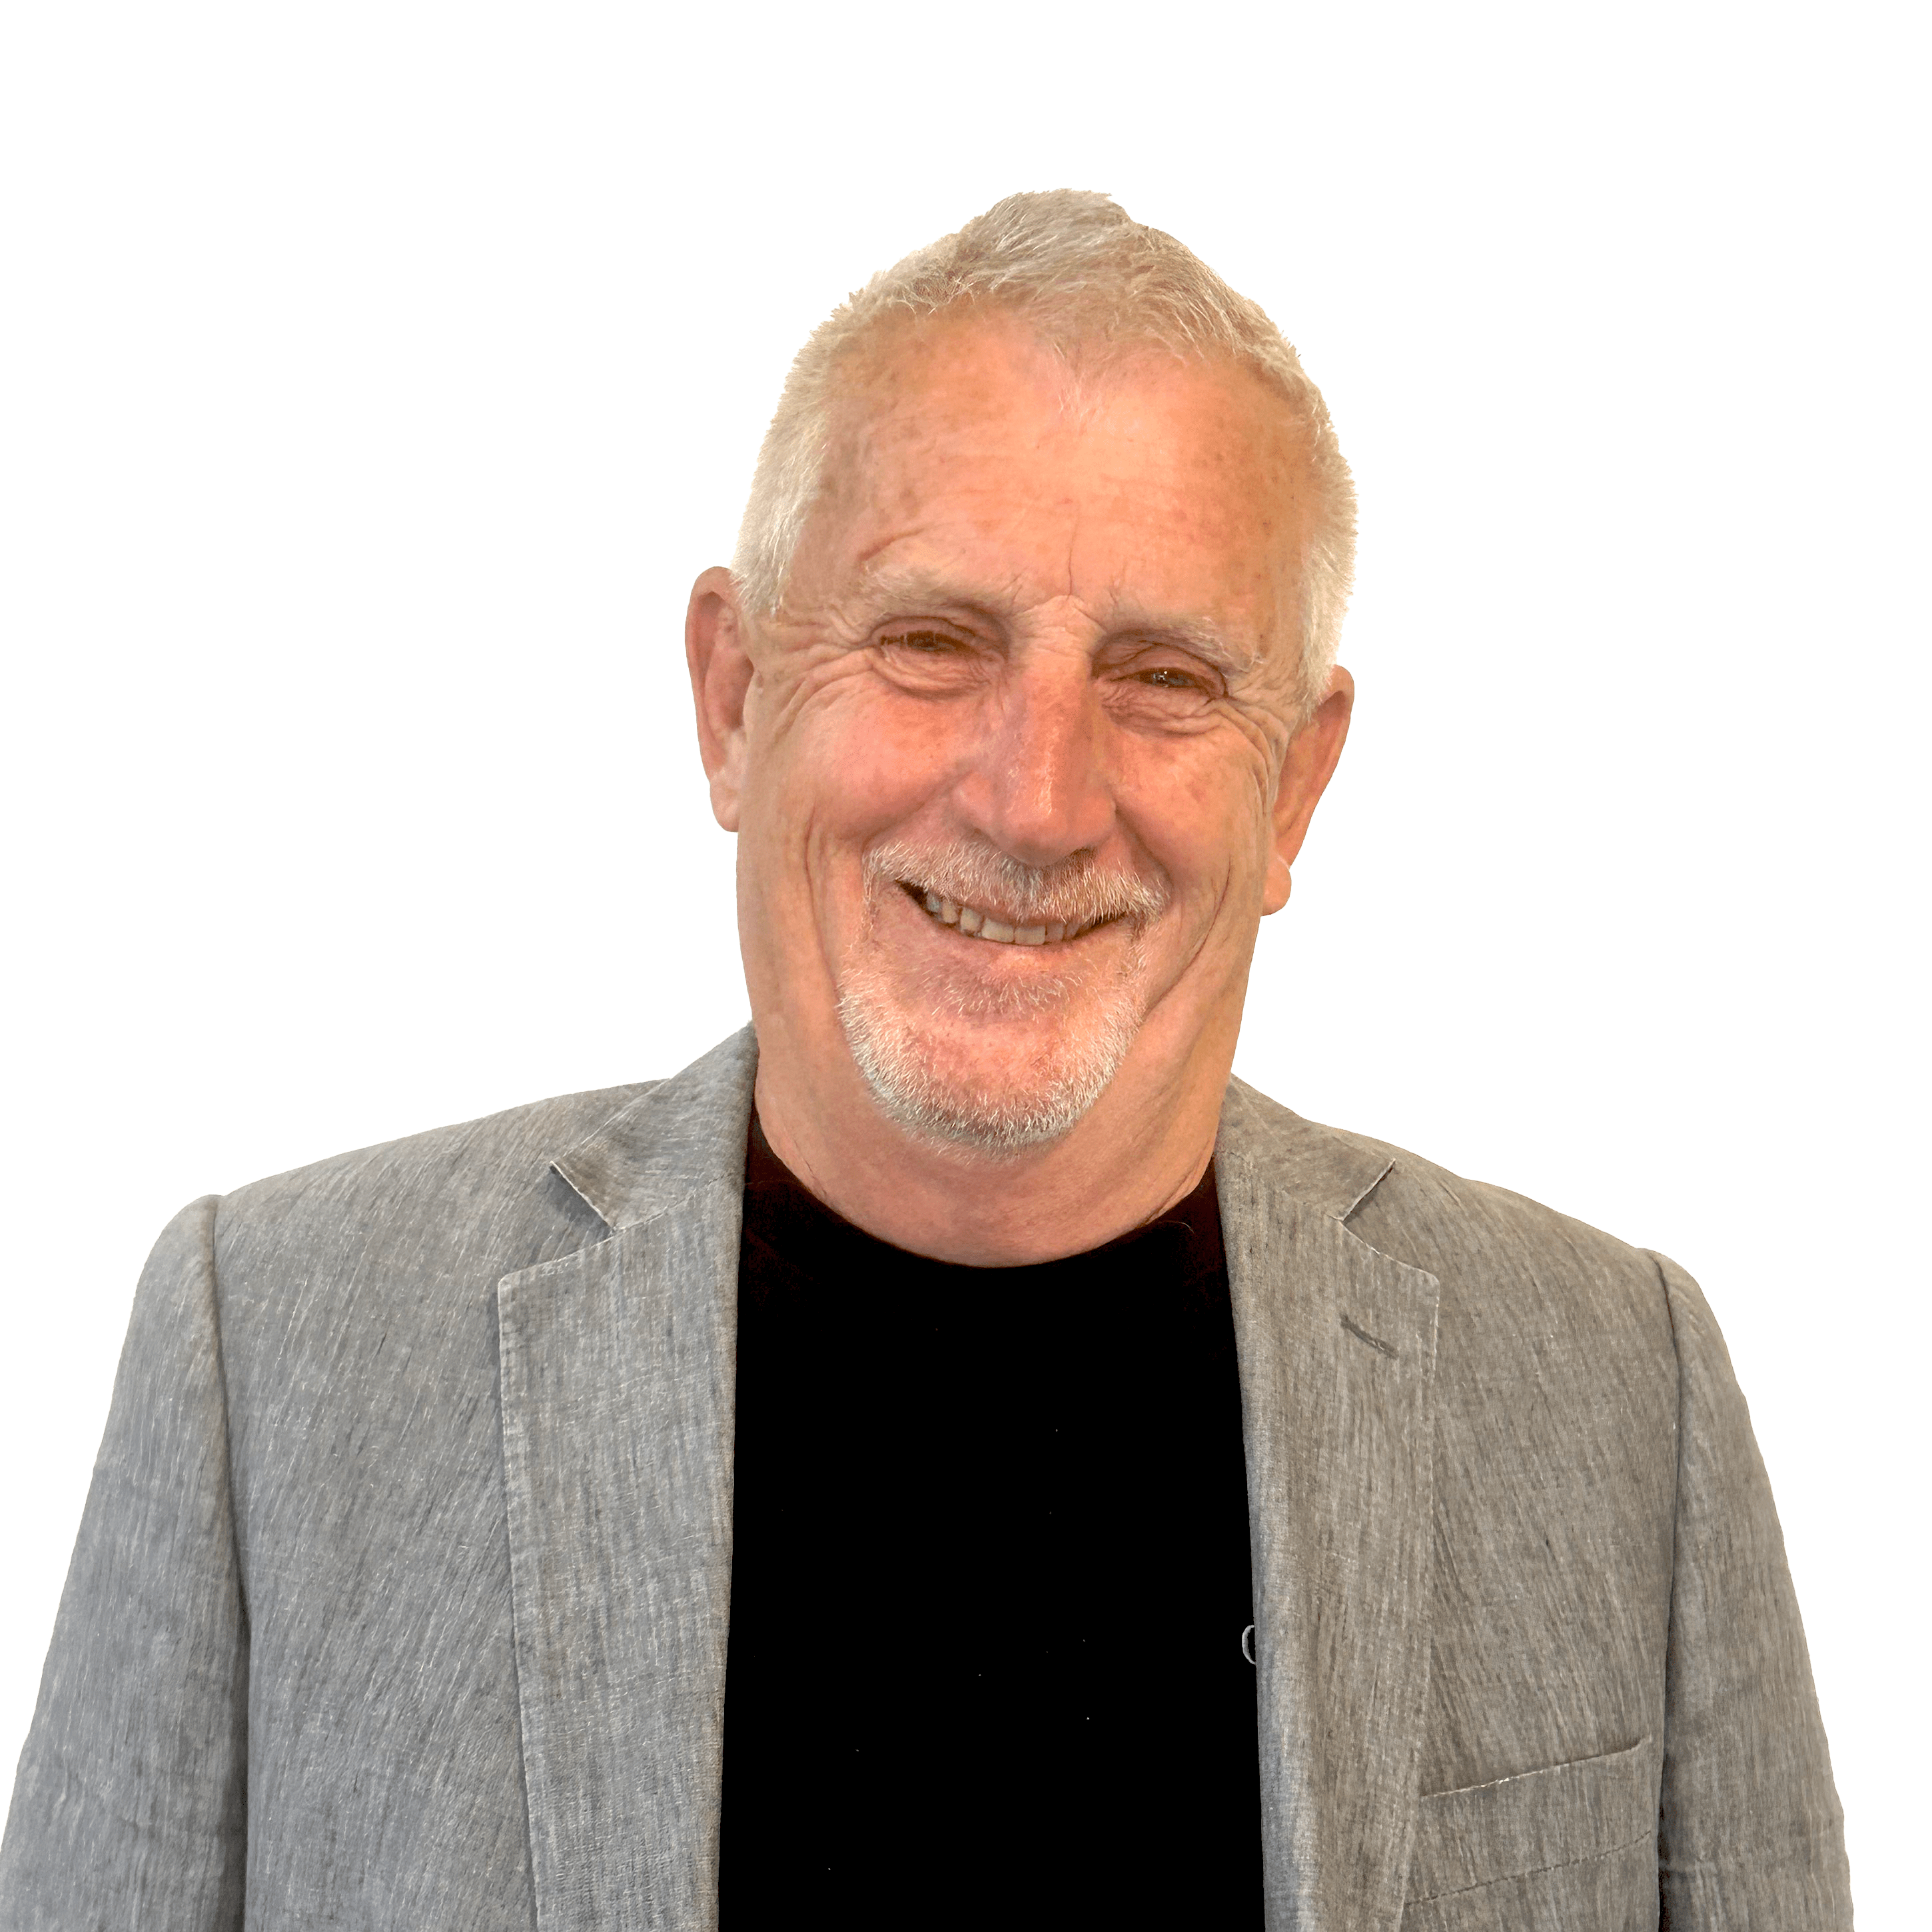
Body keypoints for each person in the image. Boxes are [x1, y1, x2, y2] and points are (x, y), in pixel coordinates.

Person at [0, 191, 1850, 1930]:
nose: (1034, 798)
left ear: (1294, 786)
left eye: (1165, 677)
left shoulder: (1625, 1390)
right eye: (929, 640)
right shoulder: (272, 1345)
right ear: (732, 700)